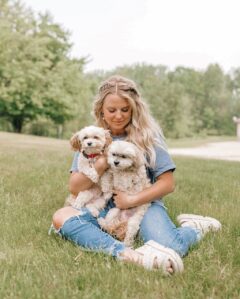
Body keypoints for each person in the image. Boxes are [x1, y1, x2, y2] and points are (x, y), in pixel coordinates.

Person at [52, 75, 221, 274]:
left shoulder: (148, 137)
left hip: (142, 203)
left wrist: (132, 199)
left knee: (172, 246)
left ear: (134, 109)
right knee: (61, 217)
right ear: (101, 111)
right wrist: (103, 161)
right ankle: (128, 255)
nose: (118, 116)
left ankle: (195, 227)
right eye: (111, 110)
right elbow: (74, 187)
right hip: (100, 205)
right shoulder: (92, 137)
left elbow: (167, 183)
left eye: (125, 109)